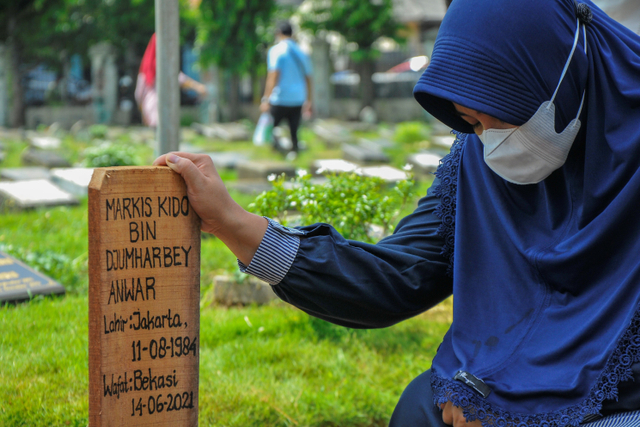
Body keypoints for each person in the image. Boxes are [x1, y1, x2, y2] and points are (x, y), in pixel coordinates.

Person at [154, 0, 640, 425]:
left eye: (501, 110)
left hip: (616, 397)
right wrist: (235, 224)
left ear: (553, 73)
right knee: (419, 407)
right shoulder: (477, 160)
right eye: (469, 122)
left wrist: (524, 411)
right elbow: (399, 276)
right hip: (500, 384)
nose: (492, 140)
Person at [260, 21, 313, 159]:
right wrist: (309, 100)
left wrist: (266, 98)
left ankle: (277, 155)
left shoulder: (276, 50)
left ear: (278, 33)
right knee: (294, 130)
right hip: (298, 98)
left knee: (274, 129)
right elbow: (308, 77)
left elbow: (273, 76)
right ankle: (294, 152)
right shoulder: (302, 51)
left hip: (280, 97)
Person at [135, 33, 207, 127]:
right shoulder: (164, 68)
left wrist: (144, 113)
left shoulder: (145, 70)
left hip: (151, 109)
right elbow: (180, 79)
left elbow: (138, 95)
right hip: (163, 110)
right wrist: (198, 87)